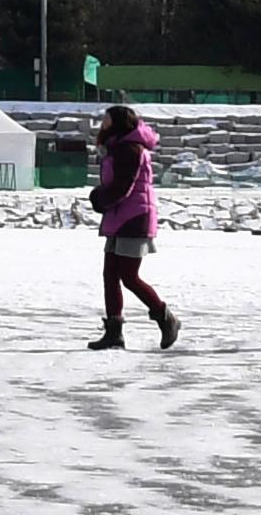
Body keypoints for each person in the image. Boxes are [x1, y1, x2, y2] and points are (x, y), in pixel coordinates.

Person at [86, 102, 178, 350]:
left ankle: (165, 317)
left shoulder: (129, 149)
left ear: (117, 122)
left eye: (106, 119)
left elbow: (122, 187)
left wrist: (98, 199)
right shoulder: (117, 147)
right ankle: (114, 332)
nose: (102, 123)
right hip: (119, 217)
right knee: (110, 275)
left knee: (128, 276)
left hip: (134, 218)